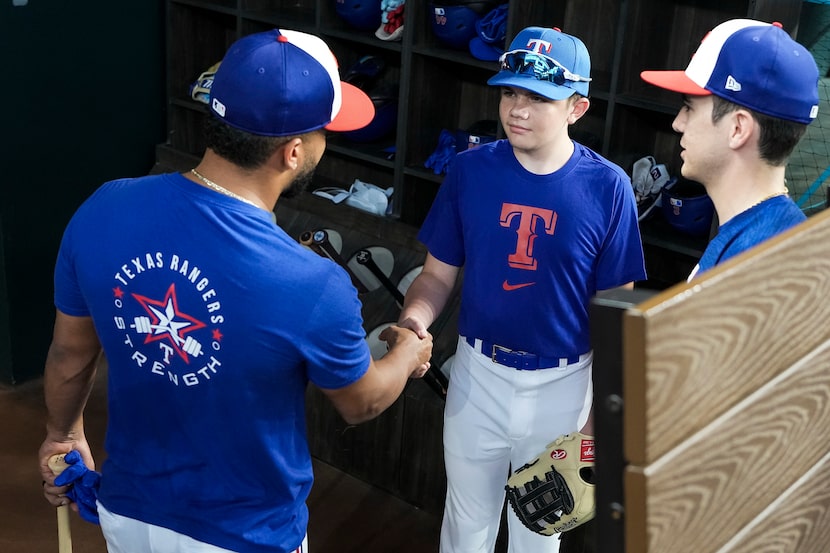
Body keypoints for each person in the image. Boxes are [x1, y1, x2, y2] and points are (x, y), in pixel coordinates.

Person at [38, 28, 433, 553]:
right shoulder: (314, 282)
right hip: (247, 535)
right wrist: (407, 353)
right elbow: (360, 403)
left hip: (129, 513)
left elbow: (70, 353)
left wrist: (62, 435)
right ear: (293, 152)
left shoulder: (104, 206)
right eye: (323, 132)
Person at [398, 26, 647, 553]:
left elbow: (616, 313)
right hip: (476, 372)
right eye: (510, 91)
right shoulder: (470, 169)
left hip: (564, 384)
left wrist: (596, 421)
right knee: (465, 526)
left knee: (537, 538)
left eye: (538, 97)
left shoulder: (609, 187)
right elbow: (437, 276)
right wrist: (415, 322)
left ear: (577, 108)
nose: (517, 108)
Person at [641, 18, 820, 280]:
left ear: (737, 129)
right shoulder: (777, 236)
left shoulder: (754, 266)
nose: (677, 123)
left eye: (689, 107)